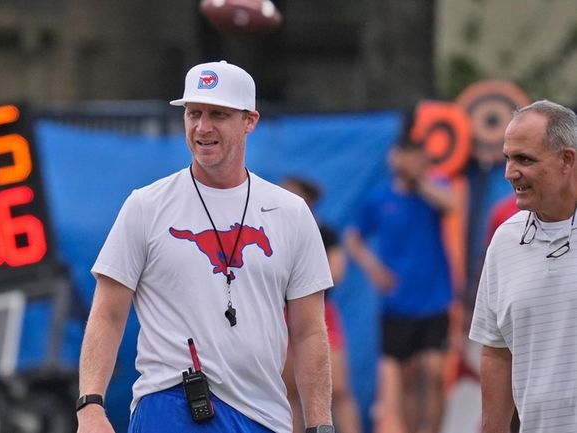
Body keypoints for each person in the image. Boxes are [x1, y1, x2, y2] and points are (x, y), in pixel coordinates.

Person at [76, 60, 335, 433]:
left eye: (218, 114)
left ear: (250, 121)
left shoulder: (289, 212)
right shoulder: (146, 206)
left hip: (262, 416)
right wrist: (91, 407)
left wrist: (320, 425)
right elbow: (107, 314)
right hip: (169, 403)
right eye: (193, 113)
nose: (202, 127)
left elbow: (309, 329)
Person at [469, 99, 577, 433]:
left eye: (524, 159)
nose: (509, 172)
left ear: (567, 160)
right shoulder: (505, 241)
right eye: (508, 158)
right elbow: (497, 352)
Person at [344, 138, 455, 433]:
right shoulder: (380, 199)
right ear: (395, 158)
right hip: (397, 302)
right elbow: (354, 239)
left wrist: (419, 178)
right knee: (405, 375)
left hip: (435, 298)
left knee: (433, 371)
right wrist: (374, 270)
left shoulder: (433, 188)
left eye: (419, 157)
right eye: (408, 156)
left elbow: (450, 204)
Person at [281, 177, 362, 433]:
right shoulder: (273, 235)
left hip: (320, 313)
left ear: (308, 201)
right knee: (289, 392)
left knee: (338, 389)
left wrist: (297, 279)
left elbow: (335, 273)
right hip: (281, 315)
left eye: (292, 194)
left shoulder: (326, 233)